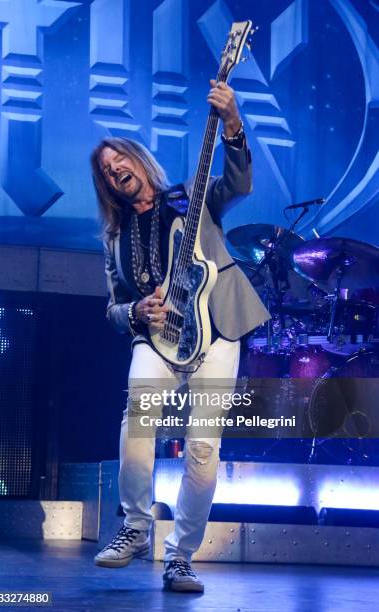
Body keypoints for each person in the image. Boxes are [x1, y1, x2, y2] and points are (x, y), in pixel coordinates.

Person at [90, 80, 270, 592]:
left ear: (139, 161)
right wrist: (133, 310)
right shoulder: (115, 236)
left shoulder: (192, 199)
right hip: (157, 340)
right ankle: (135, 527)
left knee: (203, 449)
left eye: (117, 160)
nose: (113, 170)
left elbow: (236, 183)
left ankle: (181, 556)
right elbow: (111, 307)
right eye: (104, 171)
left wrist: (232, 123)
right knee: (137, 426)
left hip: (216, 333)